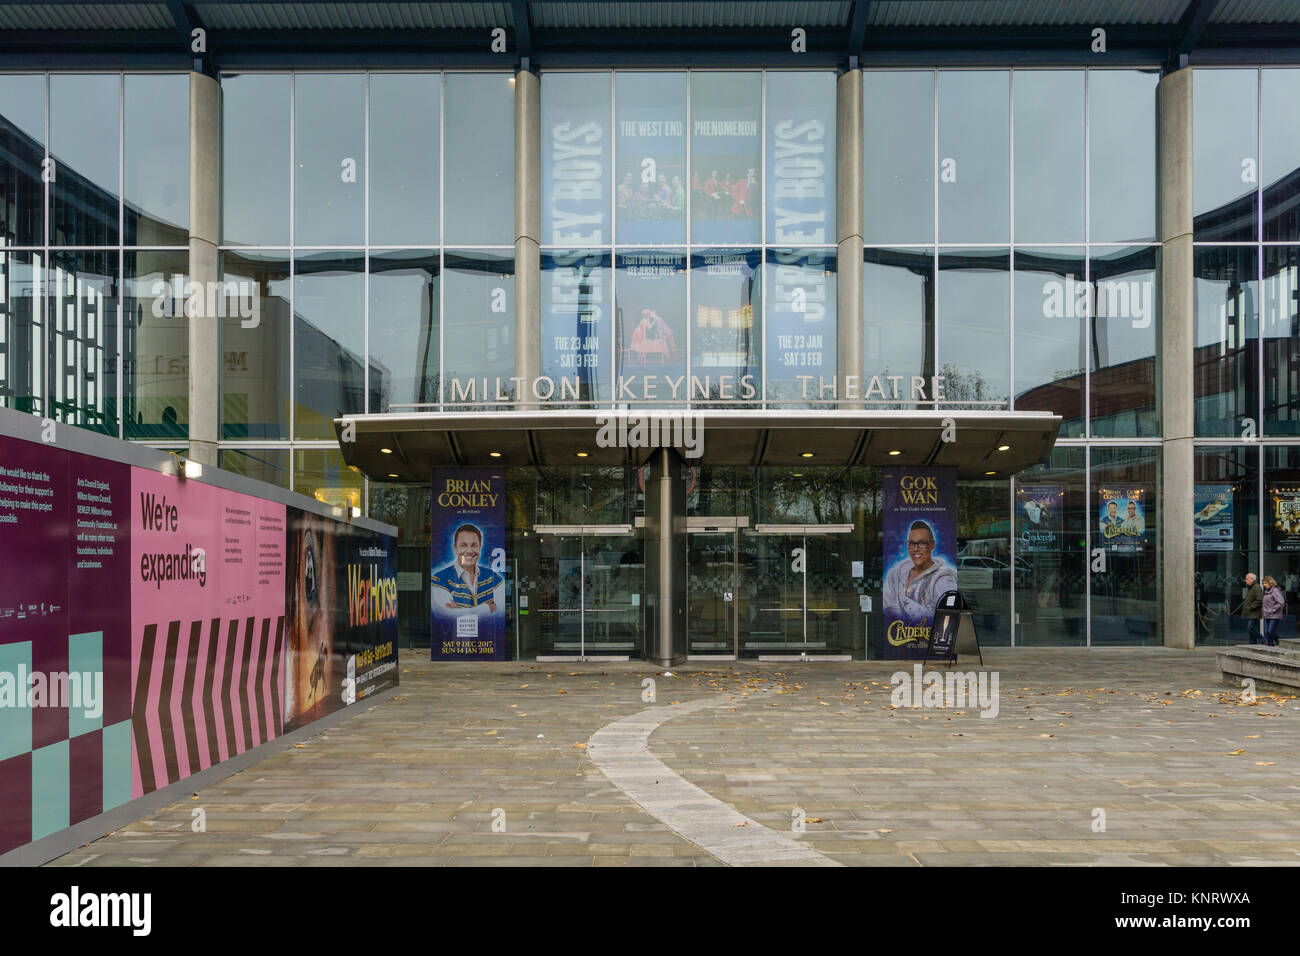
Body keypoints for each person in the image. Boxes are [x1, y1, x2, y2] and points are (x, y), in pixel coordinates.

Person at [883, 519, 958, 626]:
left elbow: (949, 617)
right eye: (912, 543)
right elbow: (888, 608)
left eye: (921, 543)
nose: (915, 549)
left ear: (932, 545)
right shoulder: (896, 575)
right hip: (898, 639)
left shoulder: (943, 580)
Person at [431, 523, 504, 614]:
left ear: (480, 548)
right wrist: (488, 608)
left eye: (474, 545)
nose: (469, 551)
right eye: (463, 545)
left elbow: (501, 612)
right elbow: (447, 616)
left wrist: (460, 611)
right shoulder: (438, 580)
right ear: (455, 548)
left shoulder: (494, 577)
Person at [1261, 574, 1284, 647]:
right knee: (1266, 632)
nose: (1264, 585)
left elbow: (1281, 602)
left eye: (1265, 583)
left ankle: (1278, 641)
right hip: (1266, 615)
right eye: (1263, 583)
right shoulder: (1265, 592)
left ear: (1270, 583)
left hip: (1274, 615)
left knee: (1270, 631)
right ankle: (1270, 646)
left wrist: (1272, 610)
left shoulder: (1275, 590)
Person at [1241, 572, 1264, 645]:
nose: (1246, 580)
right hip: (1251, 612)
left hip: (1254, 612)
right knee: (1250, 629)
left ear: (1252, 579)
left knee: (1250, 627)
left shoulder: (1256, 587)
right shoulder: (1251, 587)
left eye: (1247, 579)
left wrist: (1251, 607)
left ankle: (1263, 640)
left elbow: (1259, 599)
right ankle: (1252, 644)